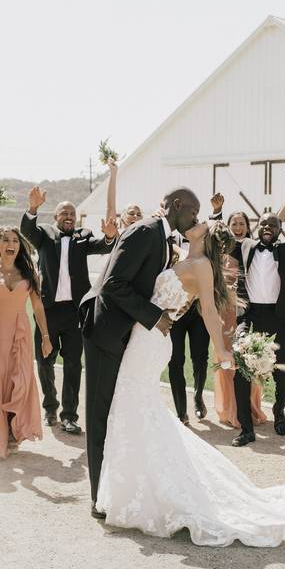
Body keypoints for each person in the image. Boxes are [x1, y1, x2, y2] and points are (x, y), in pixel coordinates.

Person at [95, 220, 285, 546]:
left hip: (151, 341)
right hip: (145, 338)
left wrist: (223, 349)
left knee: (134, 405)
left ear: (207, 236)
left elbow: (210, 311)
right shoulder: (179, 256)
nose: (193, 222)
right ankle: (134, 489)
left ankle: (143, 495)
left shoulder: (200, 265)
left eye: (201, 222)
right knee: (136, 408)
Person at [80, 187, 200, 519]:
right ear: (177, 205)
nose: (195, 219)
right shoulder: (144, 231)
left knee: (117, 410)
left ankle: (111, 488)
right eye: (193, 212)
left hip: (126, 333)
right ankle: (97, 497)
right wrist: (153, 317)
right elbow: (113, 284)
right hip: (106, 332)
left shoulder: (164, 239)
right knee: (100, 412)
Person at [21, 185, 117, 434]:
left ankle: (69, 416)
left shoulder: (83, 236)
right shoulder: (44, 235)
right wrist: (32, 208)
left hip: (75, 313)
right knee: (44, 362)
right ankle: (50, 407)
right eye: (64, 214)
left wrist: (109, 237)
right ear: (55, 217)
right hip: (48, 311)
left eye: (72, 214)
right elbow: (27, 230)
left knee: (74, 364)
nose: (68, 218)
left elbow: (104, 246)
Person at [229, 182, 285, 445]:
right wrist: (218, 213)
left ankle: (278, 412)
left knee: (283, 373)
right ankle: (246, 429)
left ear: (278, 230)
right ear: (258, 227)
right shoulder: (244, 247)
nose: (267, 228)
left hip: (277, 318)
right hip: (250, 318)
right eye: (264, 224)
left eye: (273, 225)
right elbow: (222, 238)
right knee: (241, 371)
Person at [0, 220, 50, 457]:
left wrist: (45, 336)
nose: (11, 244)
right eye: (5, 239)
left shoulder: (29, 272)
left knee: (20, 381)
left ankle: (14, 429)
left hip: (19, 332)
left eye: (15, 241)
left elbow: (37, 307)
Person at [166, 192, 225, 425]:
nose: (194, 221)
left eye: (198, 219)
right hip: (173, 314)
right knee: (175, 360)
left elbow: (215, 231)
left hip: (198, 310)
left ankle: (199, 395)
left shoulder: (203, 259)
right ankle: (181, 410)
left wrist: (217, 212)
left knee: (199, 358)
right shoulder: (174, 240)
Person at [214, 209, 267, 428]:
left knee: (248, 359)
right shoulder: (219, 252)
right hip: (226, 312)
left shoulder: (253, 249)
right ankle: (230, 409)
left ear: (248, 226)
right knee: (226, 360)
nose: (237, 228)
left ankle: (250, 409)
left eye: (241, 224)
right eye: (234, 224)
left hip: (248, 312)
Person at [106, 159, 143, 230]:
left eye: (139, 214)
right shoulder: (117, 235)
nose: (135, 216)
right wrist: (113, 174)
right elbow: (110, 208)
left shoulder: (146, 238)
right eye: (131, 213)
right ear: (122, 218)